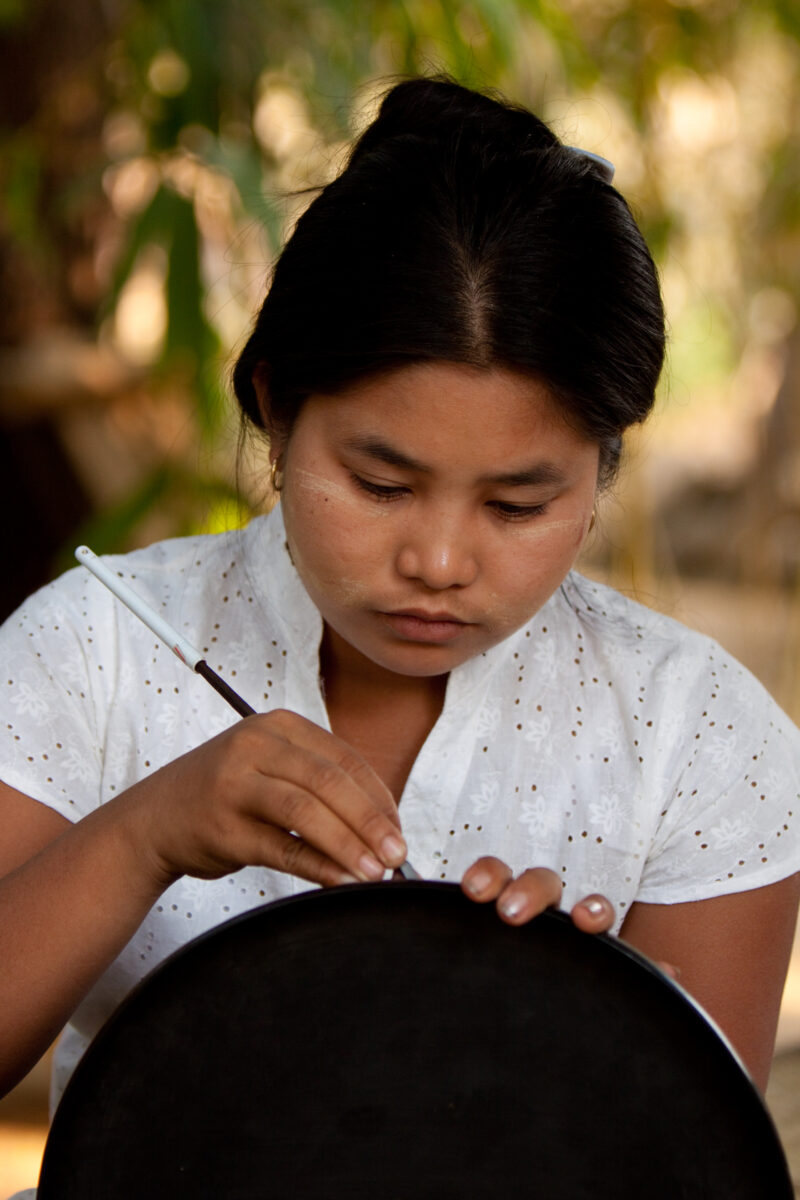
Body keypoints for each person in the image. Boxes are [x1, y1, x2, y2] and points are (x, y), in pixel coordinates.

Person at [0, 79, 798, 1158]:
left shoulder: (699, 739)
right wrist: (147, 832)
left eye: (519, 504)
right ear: (276, 411)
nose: (437, 561)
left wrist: (594, 1021)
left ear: (604, 465)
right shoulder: (91, 650)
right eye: (380, 485)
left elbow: (693, 1173)